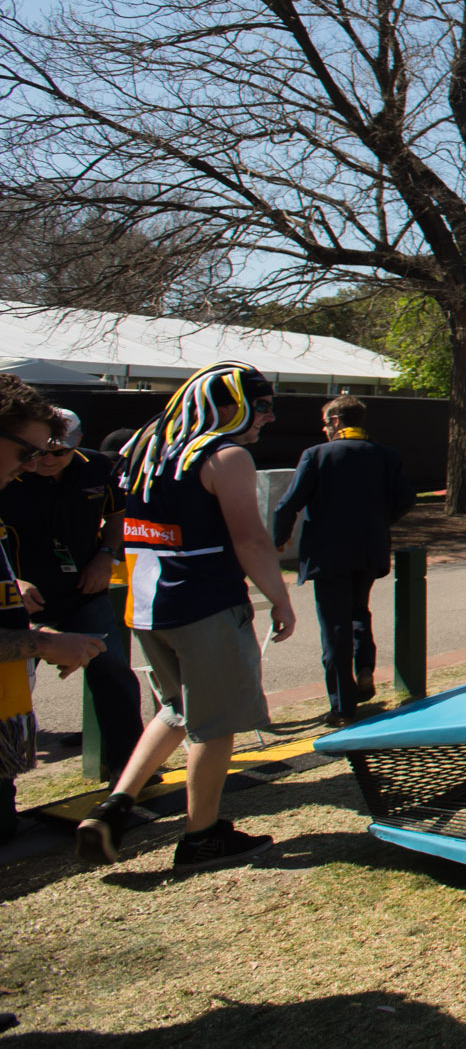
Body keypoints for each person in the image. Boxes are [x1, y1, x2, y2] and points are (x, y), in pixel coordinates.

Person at [75, 362, 296, 873]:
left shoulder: (147, 447)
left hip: (149, 602)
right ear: (225, 406)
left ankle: (114, 806)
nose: (268, 417)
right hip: (204, 602)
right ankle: (203, 836)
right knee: (215, 725)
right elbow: (249, 538)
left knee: (177, 708)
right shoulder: (224, 455)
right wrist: (279, 598)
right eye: (260, 406)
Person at [0, 406, 144, 781]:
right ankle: (9, 777)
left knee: (112, 668)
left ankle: (128, 769)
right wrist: (13, 581)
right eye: (36, 452)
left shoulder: (97, 467)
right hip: (19, 599)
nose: (43, 461)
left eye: (58, 452)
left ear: (78, 443)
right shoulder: (10, 470)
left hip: (81, 589)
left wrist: (105, 556)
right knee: (13, 682)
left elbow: (118, 516)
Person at [269, 395, 414, 727]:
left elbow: (288, 503)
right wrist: (380, 521)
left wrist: (279, 538)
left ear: (335, 421)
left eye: (325, 423)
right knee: (358, 611)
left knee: (334, 627)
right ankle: (365, 666)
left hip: (327, 553)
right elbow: (406, 499)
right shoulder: (386, 455)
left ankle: (342, 705)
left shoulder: (316, 455)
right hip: (369, 549)